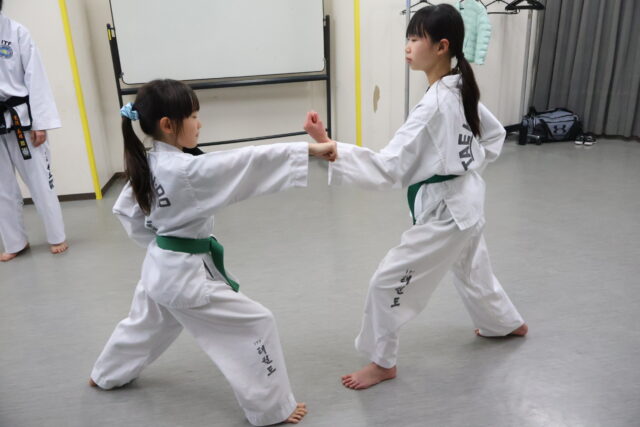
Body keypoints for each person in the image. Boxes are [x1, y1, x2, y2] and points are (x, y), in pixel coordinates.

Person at [304, 4, 527, 391]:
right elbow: (494, 136)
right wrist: (469, 165)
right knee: (473, 270)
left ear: (441, 47)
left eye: (415, 39)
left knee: (387, 282)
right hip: (467, 201)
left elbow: (388, 167)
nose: (407, 47)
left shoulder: (437, 103)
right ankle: (506, 324)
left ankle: (382, 362)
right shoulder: (459, 86)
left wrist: (329, 147)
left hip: (449, 212)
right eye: (407, 38)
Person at [90, 79, 336, 425]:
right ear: (168, 125)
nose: (199, 124)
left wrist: (161, 245)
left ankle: (105, 374)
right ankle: (271, 409)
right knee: (257, 323)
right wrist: (308, 151)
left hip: (159, 269)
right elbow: (247, 161)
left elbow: (126, 213)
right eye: (193, 117)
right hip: (184, 280)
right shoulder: (186, 170)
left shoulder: (146, 163)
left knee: (143, 325)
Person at [0, 0, 68, 261]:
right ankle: (15, 242)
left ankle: (56, 235)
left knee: (40, 181)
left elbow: (36, 78)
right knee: (2, 187)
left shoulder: (17, 32)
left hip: (21, 120)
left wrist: (40, 123)